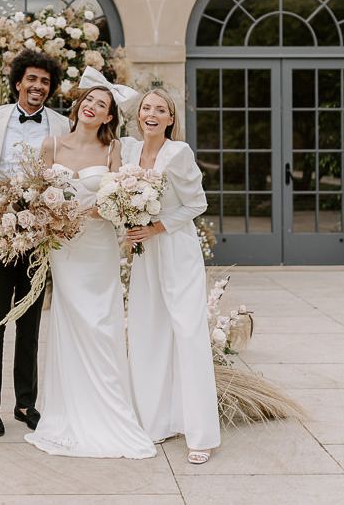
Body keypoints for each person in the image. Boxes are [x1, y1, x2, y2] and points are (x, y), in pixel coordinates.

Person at [24, 82, 157, 459]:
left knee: (101, 324)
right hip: (65, 249)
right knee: (72, 322)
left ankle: (110, 408)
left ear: (109, 117)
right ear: (79, 105)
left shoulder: (112, 149)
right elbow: (35, 199)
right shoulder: (51, 145)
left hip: (97, 247)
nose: (92, 107)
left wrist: (101, 209)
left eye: (102, 105)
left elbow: (119, 200)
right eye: (89, 101)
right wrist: (50, 216)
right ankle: (68, 409)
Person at [123, 88, 221, 465]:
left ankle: (201, 436)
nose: (151, 113)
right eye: (146, 107)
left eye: (160, 109)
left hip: (176, 250)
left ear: (170, 119)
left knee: (187, 332)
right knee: (149, 331)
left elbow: (198, 203)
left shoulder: (178, 153)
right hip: (145, 255)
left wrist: (156, 227)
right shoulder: (130, 151)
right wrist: (132, 225)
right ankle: (155, 422)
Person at [0, 49, 70, 436]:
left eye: (45, 82)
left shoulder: (62, 125)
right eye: (32, 79)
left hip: (40, 227)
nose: (37, 87)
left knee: (31, 320)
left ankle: (25, 402)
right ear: (18, 82)